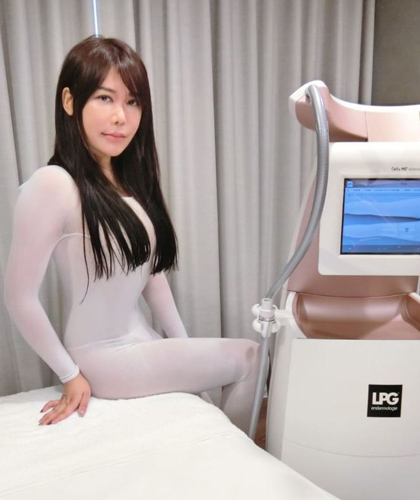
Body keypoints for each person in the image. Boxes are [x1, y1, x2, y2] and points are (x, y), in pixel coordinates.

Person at [3, 35, 260, 433]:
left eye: (133, 102)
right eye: (105, 98)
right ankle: (242, 453)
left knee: (218, 388)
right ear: (70, 101)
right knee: (250, 358)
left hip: (140, 342)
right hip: (103, 356)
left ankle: (229, 445)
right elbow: (18, 296)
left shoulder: (128, 185)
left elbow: (152, 280)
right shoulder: (53, 184)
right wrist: (70, 375)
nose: (121, 116)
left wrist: (183, 348)